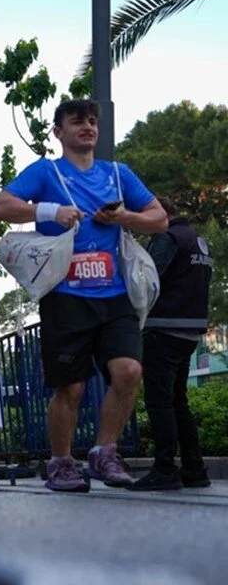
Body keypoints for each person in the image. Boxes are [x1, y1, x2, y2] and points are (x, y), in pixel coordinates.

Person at [0, 99, 167, 492]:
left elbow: (159, 219)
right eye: (76, 122)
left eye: (92, 122)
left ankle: (103, 452)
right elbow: (2, 205)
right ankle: (61, 462)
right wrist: (51, 212)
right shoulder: (46, 171)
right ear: (58, 132)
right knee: (69, 387)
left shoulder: (118, 175)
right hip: (66, 295)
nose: (87, 127)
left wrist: (123, 217)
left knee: (129, 371)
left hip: (115, 292)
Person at [130, 197, 212, 491]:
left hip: (164, 329)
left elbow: (148, 281)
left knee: (159, 400)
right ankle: (194, 468)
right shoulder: (196, 240)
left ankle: (165, 469)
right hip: (190, 329)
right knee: (178, 400)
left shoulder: (167, 238)